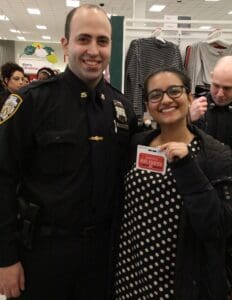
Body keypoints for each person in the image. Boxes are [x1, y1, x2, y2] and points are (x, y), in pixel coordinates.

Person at [0, 4, 137, 300]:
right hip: (42, 255)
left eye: (102, 41)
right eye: (83, 39)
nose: (93, 50)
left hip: (101, 257)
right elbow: (3, 179)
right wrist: (5, 258)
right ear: (65, 44)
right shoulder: (30, 103)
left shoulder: (122, 109)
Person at [113, 68, 232, 299]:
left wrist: (187, 165)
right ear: (147, 105)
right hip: (129, 274)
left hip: (182, 282)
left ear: (190, 98)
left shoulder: (216, 155)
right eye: (155, 95)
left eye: (174, 91)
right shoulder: (136, 144)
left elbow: (218, 228)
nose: (166, 99)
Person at [189, 55, 232, 148]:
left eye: (227, 88)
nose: (220, 94)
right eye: (216, 85)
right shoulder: (195, 106)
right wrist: (187, 119)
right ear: (212, 77)